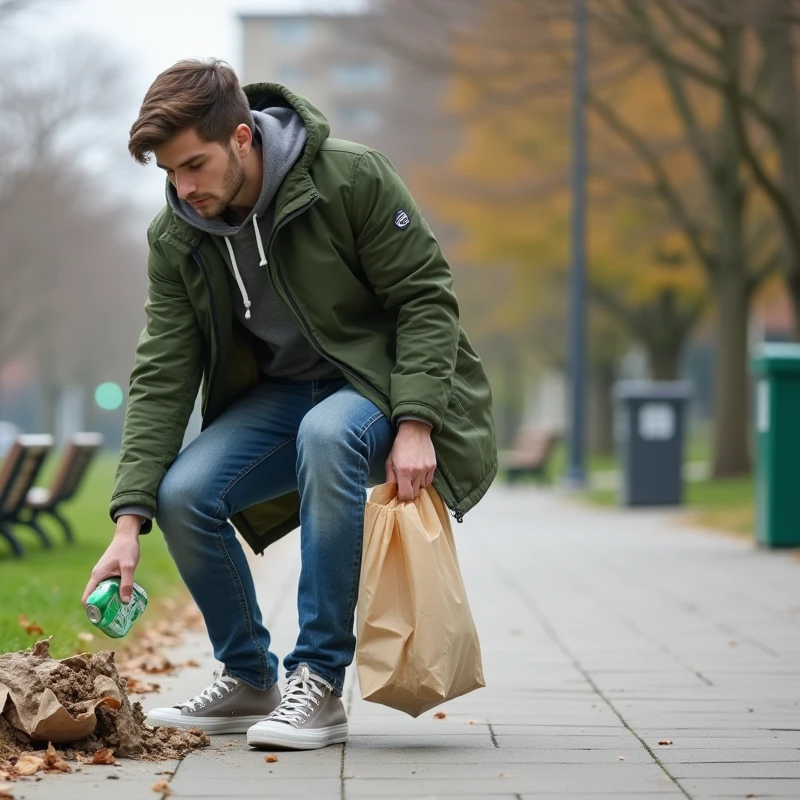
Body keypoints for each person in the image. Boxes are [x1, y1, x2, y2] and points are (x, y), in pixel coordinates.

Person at [82, 59, 496, 751]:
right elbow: (162, 373)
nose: (183, 188)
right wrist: (129, 520)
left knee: (327, 434)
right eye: (170, 173)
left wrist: (417, 422)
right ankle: (250, 678)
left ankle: (319, 682)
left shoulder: (350, 177)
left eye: (195, 165)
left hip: (373, 383)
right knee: (184, 494)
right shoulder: (178, 237)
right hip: (280, 397)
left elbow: (425, 299)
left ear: (242, 138)